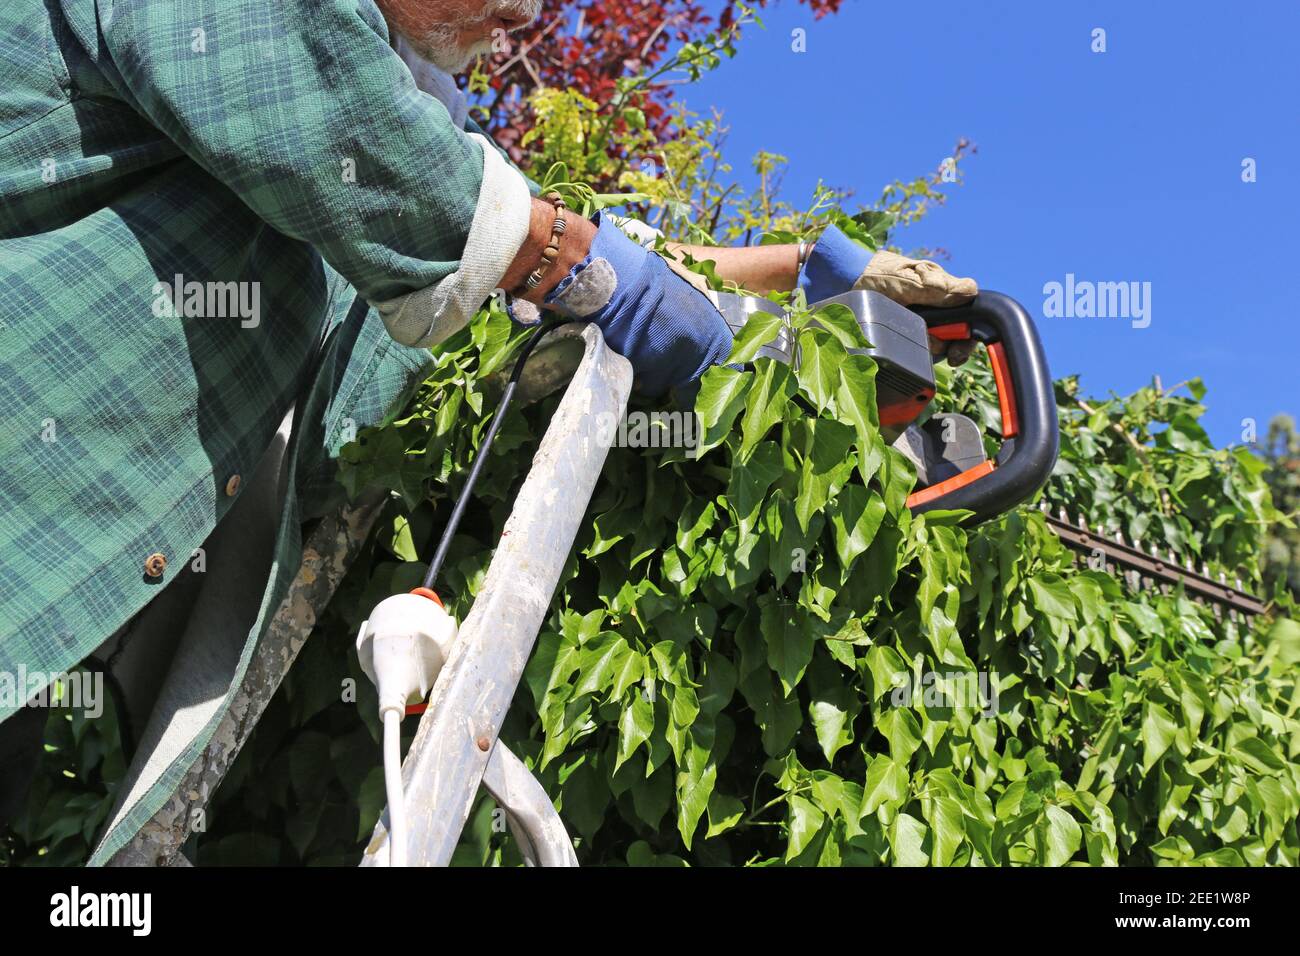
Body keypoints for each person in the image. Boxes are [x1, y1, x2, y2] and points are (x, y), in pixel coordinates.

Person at [0, 0, 975, 860]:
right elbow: (436, 187)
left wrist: (797, 265)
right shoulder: (295, 70)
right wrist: (570, 261)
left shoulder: (356, 163)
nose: (528, 20)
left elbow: (508, 249)